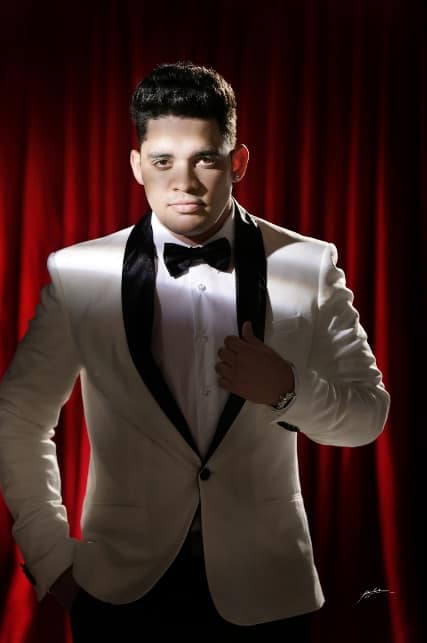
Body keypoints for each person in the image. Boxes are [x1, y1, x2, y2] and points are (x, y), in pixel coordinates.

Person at [0, 61, 390, 642]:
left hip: (267, 595)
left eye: (205, 159)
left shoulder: (309, 264)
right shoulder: (78, 272)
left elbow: (368, 415)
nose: (183, 182)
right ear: (137, 165)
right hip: (120, 594)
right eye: (163, 161)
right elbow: (18, 416)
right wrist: (52, 560)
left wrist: (288, 390)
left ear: (238, 162)